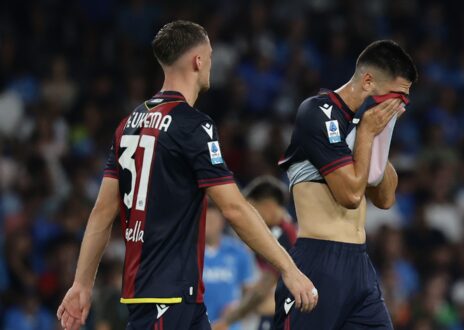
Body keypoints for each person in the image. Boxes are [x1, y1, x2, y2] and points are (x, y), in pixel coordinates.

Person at [56, 20, 317, 330]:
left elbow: (102, 212)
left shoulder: (129, 123)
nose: (211, 62)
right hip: (167, 300)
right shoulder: (193, 125)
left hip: (177, 299)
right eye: (210, 55)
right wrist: (288, 267)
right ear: (198, 60)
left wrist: (82, 285)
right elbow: (233, 207)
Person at [276, 40, 417, 329]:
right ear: (368, 81)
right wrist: (366, 132)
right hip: (319, 261)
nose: (398, 106)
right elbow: (351, 195)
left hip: (359, 265)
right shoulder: (316, 112)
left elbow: (385, 198)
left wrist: (382, 134)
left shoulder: (363, 126)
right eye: (396, 96)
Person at [213, 176, 297, 330]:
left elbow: (263, 289)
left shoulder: (283, 235)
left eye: (253, 209)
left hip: (280, 318)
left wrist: (230, 319)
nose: (249, 219)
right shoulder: (282, 231)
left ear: (269, 206)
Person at [203, 202, 256, 330]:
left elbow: (250, 292)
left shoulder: (239, 252)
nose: (209, 225)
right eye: (206, 220)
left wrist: (238, 308)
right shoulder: (189, 253)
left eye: (213, 220)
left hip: (229, 326)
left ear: (222, 222)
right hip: (198, 324)